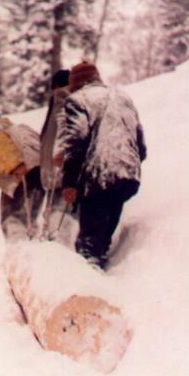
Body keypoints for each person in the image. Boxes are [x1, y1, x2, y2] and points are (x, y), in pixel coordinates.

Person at [54, 61, 147, 268]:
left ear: (75, 84)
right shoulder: (123, 97)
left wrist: (69, 183)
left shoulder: (77, 101)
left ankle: (87, 287)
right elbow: (140, 144)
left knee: (89, 244)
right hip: (128, 175)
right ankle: (98, 274)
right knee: (101, 238)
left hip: (98, 176)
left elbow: (76, 145)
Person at [0, 108, 45, 241]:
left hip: (21, 176)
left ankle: (18, 253)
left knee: (13, 220)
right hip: (41, 174)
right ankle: (35, 249)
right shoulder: (18, 128)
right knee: (30, 219)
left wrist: (16, 166)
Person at [38, 69, 76, 244]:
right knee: (56, 220)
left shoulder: (63, 98)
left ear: (55, 86)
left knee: (58, 223)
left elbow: (61, 134)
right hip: (59, 174)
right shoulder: (60, 101)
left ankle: (62, 257)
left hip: (60, 174)